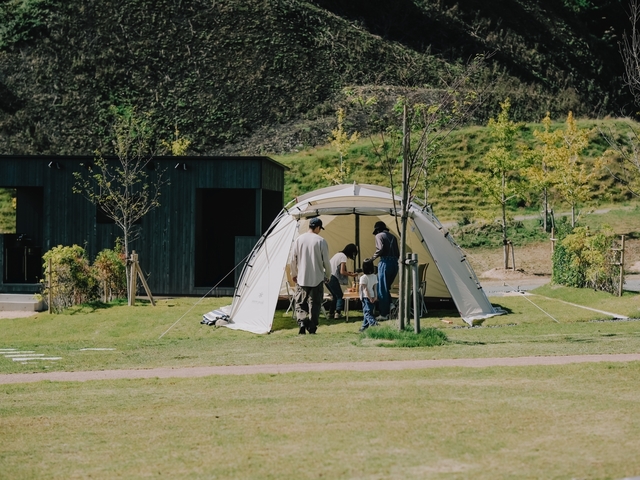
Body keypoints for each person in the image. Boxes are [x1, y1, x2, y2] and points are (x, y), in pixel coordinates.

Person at [289, 217, 332, 335]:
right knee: (315, 304)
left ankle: (302, 321)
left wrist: (294, 274)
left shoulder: (299, 239)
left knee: (300, 303)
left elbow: (293, 259)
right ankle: (312, 328)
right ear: (317, 227)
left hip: (302, 278)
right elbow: (326, 262)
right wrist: (328, 275)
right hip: (317, 278)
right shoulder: (321, 241)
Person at [371, 220, 400, 321]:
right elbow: (398, 253)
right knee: (386, 287)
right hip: (395, 264)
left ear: (377, 230)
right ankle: (391, 305)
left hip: (385, 263)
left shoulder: (379, 236)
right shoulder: (393, 237)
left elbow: (380, 249)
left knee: (381, 289)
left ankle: (384, 314)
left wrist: (372, 258)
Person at [325, 243, 359, 319]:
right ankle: (338, 313)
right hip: (332, 277)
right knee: (339, 295)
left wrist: (349, 272)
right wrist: (352, 275)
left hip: (326, 276)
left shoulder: (338, 254)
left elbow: (338, 269)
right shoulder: (343, 257)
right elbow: (342, 271)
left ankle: (331, 313)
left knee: (335, 296)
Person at [358, 258, 378, 332]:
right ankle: (364, 327)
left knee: (366, 313)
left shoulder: (363, 277)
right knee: (369, 311)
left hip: (366, 297)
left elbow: (365, 289)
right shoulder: (374, 276)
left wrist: (369, 298)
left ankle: (374, 323)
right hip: (372, 296)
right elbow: (375, 287)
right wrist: (375, 296)